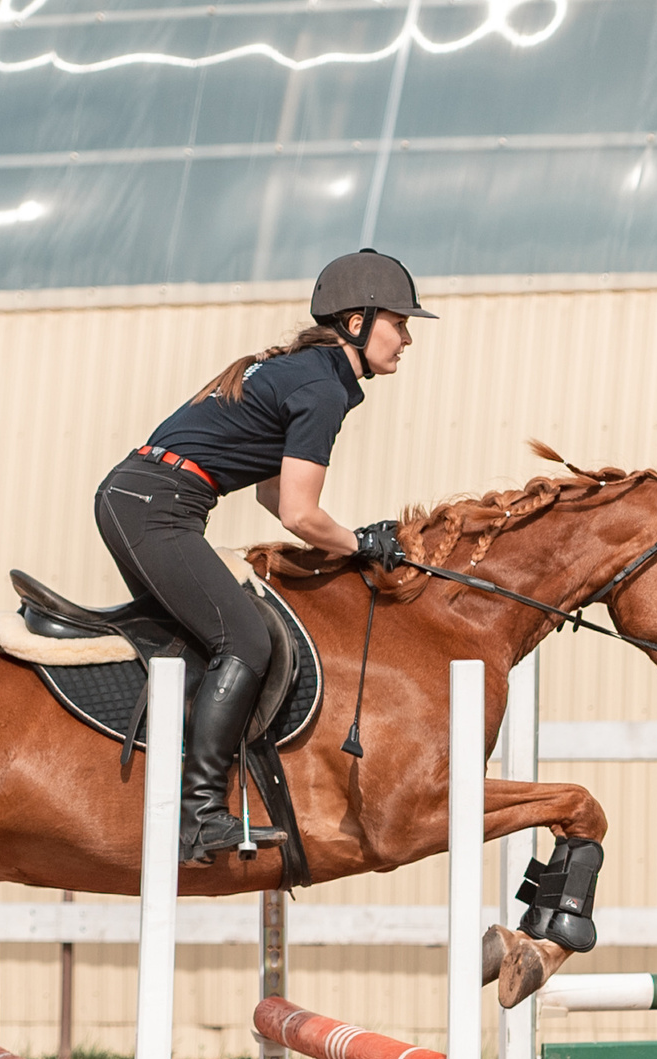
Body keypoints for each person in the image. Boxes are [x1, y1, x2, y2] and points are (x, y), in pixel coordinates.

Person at [95, 248, 433, 863]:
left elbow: (274, 496)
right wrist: (361, 543)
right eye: (399, 322)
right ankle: (199, 815)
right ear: (357, 322)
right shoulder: (321, 387)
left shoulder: (307, 372)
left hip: (143, 498)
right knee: (246, 641)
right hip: (156, 507)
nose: (407, 339)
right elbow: (301, 514)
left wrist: (348, 538)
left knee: (214, 636)